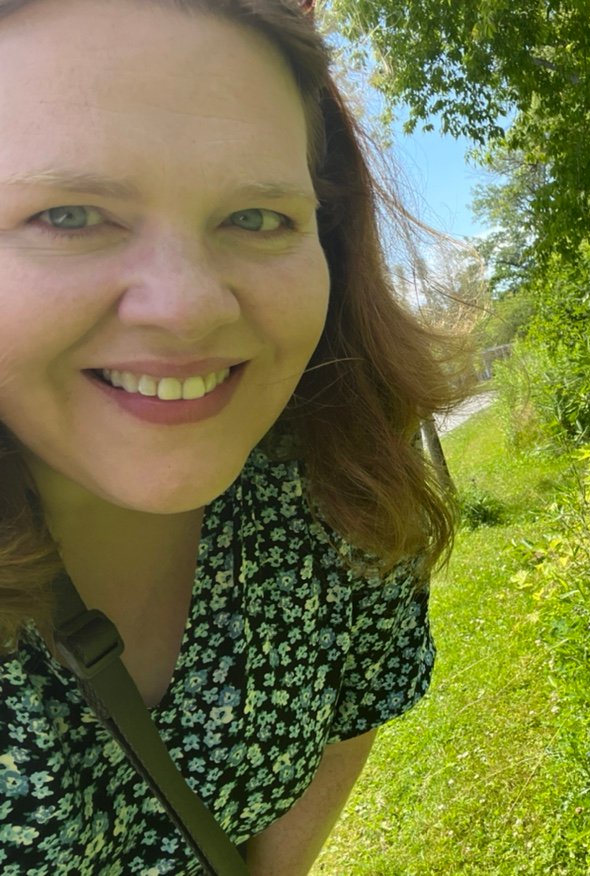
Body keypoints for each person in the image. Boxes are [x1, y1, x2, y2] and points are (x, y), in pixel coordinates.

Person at [0, 0, 460, 871]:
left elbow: (358, 691)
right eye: (68, 213)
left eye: (256, 219)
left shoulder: (335, 492)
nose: (188, 307)